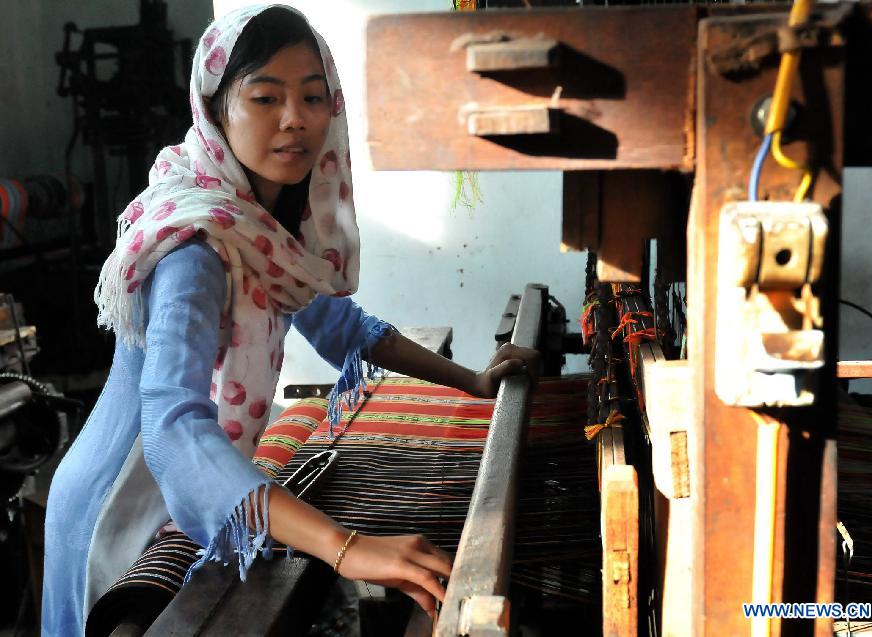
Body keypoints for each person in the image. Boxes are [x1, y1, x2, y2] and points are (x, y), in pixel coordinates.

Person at [41, 5, 539, 635]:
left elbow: (341, 328)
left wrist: (471, 380)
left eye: (312, 96)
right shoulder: (196, 247)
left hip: (193, 486)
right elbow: (174, 428)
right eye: (265, 97)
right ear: (217, 108)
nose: (295, 119)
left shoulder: (263, 231)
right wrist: (346, 546)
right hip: (123, 503)